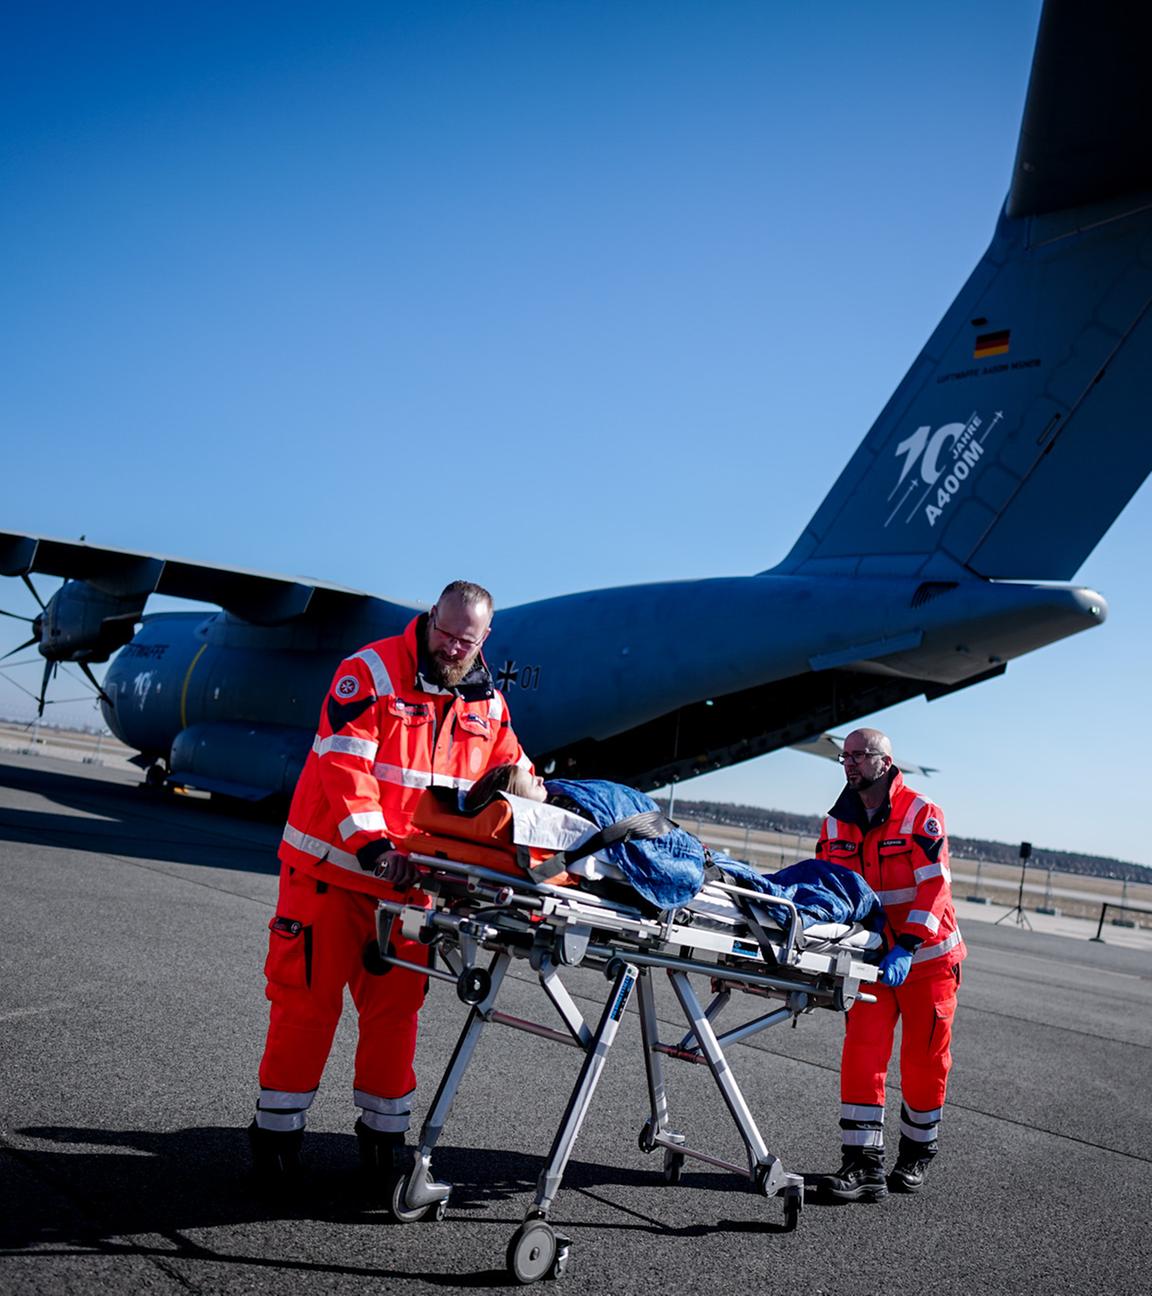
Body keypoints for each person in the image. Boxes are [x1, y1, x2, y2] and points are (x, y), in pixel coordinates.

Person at [249, 581, 531, 1186]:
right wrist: (376, 849)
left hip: (406, 892)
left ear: (485, 639)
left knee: (396, 1015)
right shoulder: (369, 671)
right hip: (330, 875)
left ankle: (383, 1142)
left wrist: (541, 812)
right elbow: (343, 766)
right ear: (430, 618)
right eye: (445, 632)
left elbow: (516, 772)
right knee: (305, 1006)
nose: (452, 648)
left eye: (466, 639)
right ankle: (275, 1140)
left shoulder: (490, 707)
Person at [816, 728, 965, 1201]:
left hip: (927, 961)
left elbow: (933, 888)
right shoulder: (835, 823)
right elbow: (832, 890)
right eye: (846, 756)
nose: (851, 763)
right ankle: (862, 1165)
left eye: (861, 755)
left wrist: (907, 945)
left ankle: (916, 1154)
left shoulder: (921, 814)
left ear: (886, 762)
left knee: (923, 1063)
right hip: (873, 961)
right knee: (862, 1054)